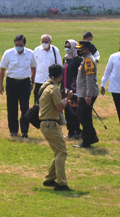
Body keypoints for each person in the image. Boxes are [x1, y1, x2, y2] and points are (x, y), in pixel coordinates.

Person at [38, 63, 73, 191]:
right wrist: (67, 99)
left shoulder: (44, 86)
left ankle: (49, 178)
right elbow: (59, 108)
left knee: (58, 151)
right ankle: (61, 183)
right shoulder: (54, 89)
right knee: (62, 152)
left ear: (49, 74)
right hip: (50, 124)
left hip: (46, 123)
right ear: (60, 76)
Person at [0, 35, 37, 139]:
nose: (18, 47)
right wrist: (1, 84)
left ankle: (25, 131)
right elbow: (2, 69)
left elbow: (33, 67)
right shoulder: (8, 53)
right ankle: (13, 131)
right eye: (16, 45)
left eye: (20, 45)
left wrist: (32, 82)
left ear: (24, 44)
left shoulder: (30, 53)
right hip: (11, 83)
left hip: (25, 83)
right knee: (12, 108)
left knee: (25, 108)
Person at [75, 41, 100, 148]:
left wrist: (88, 95)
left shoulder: (89, 60)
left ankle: (87, 141)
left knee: (84, 117)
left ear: (87, 50)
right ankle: (92, 137)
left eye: (81, 49)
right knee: (84, 116)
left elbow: (89, 79)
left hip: (87, 93)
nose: (79, 51)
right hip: (84, 92)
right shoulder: (85, 59)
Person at [33, 34, 61, 103]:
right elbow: (33, 65)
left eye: (46, 42)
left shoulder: (55, 50)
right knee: (38, 100)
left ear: (50, 42)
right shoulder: (37, 50)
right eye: (42, 41)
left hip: (51, 80)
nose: (44, 43)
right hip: (39, 80)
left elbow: (59, 64)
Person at [62, 39, 81, 140]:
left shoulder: (78, 59)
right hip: (65, 88)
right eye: (66, 46)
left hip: (74, 89)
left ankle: (78, 131)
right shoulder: (65, 59)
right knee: (67, 111)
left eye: (69, 47)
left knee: (75, 111)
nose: (67, 49)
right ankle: (70, 131)